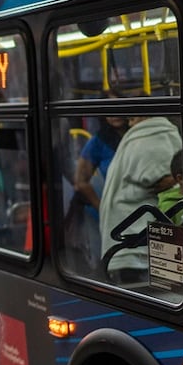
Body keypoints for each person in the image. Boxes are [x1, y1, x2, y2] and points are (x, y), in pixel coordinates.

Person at [98, 115, 183, 284]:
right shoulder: (149, 135)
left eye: (132, 119)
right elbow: (160, 177)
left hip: (132, 242)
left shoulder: (147, 136)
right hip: (135, 242)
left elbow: (158, 176)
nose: (130, 123)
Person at [69, 115, 128, 271]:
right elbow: (80, 180)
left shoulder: (137, 136)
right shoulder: (99, 141)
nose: (114, 115)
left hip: (135, 210)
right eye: (109, 111)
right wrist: (101, 207)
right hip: (104, 213)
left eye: (118, 109)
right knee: (106, 265)